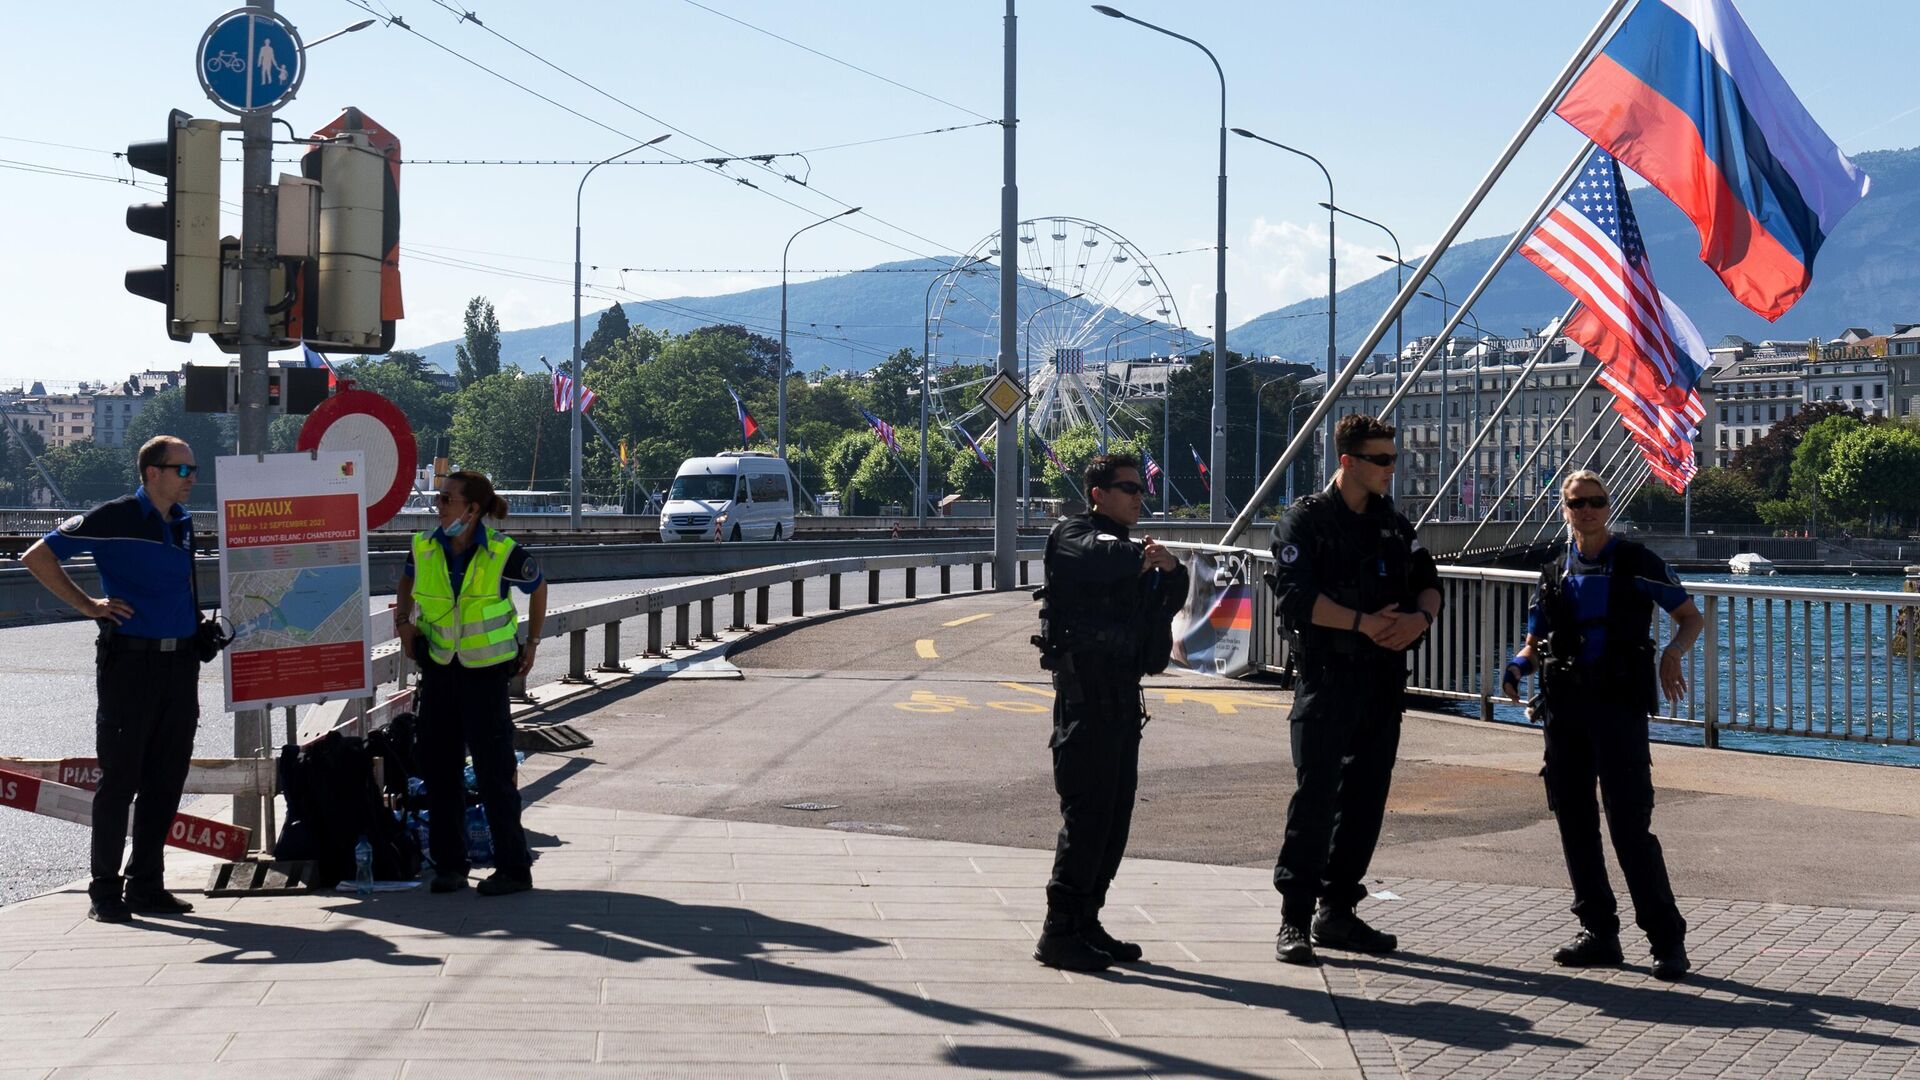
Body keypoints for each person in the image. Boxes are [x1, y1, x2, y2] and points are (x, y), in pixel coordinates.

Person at [1503, 469, 1704, 981]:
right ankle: (1598, 933)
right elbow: (1535, 638)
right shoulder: (1553, 572)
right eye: (1578, 503)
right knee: (1574, 822)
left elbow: (1689, 616)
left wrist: (1674, 655)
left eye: (1596, 501)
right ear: (1564, 509)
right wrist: (1517, 667)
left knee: (1629, 826)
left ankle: (1666, 940)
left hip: (1618, 708)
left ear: (1607, 506)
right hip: (1565, 709)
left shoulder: (1637, 562)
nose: (1587, 510)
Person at [1267, 414, 1441, 966]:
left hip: (1382, 680)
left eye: (1394, 458)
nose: (1393, 469)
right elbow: (1296, 599)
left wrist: (1420, 621)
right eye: (1383, 459)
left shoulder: (1392, 522)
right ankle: (1295, 919)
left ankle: (1337, 912)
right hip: (1327, 677)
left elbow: (1428, 581)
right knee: (1316, 796)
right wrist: (1365, 622)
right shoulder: (1305, 523)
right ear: (1348, 462)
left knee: (1366, 799)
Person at [21, 436, 205, 924]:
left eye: (194, 470)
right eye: (183, 470)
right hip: (130, 664)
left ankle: (147, 885)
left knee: (167, 781)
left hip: (180, 664)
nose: (192, 478)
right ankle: (105, 891)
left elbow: (180, 584)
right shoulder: (115, 515)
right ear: (152, 473)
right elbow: (37, 556)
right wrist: (89, 606)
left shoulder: (184, 522)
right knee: (120, 780)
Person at [1031, 453, 1187, 971]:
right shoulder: (1072, 534)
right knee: (1088, 816)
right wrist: (1147, 559)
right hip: (1085, 700)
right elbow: (1103, 558)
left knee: (1115, 819)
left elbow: (1170, 590)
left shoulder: (1132, 547)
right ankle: (1059, 933)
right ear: (1098, 493)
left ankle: (1087, 921)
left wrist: (1170, 567)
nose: (1139, 497)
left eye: (1141, 489)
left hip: (1123, 698)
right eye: (1128, 488)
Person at [395, 471, 547, 896]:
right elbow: (406, 582)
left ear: (473, 509)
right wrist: (403, 623)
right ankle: (451, 866)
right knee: (440, 772)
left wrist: (532, 641)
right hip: (440, 670)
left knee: (494, 773)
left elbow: (539, 587)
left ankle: (514, 869)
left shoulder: (503, 552)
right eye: (440, 499)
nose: (439, 506)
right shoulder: (424, 546)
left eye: (446, 499)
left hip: (486, 676)